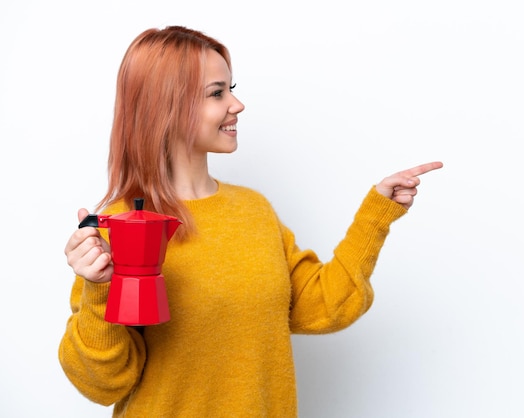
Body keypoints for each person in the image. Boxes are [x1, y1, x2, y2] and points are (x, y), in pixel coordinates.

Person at [59, 25, 443, 417]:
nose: (237, 104)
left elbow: (325, 305)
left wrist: (375, 215)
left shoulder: (253, 210)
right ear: (166, 106)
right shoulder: (120, 227)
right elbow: (102, 384)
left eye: (231, 88)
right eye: (216, 93)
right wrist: (96, 289)